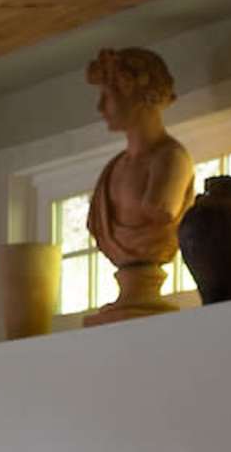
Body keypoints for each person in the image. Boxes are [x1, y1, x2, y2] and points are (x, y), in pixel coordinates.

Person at [81, 46, 195, 323]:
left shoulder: (171, 160)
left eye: (108, 96)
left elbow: (162, 209)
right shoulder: (113, 169)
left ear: (137, 95)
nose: (100, 108)